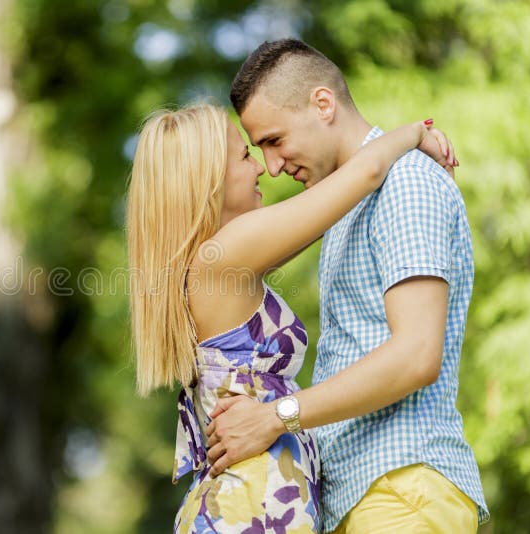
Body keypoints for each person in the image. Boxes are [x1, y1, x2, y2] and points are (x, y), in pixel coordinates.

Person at [126, 101, 455, 532]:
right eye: (245, 156)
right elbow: (364, 176)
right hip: (249, 508)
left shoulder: (218, 262)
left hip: (254, 505)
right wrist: (414, 132)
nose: (262, 168)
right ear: (209, 183)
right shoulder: (224, 254)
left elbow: (329, 212)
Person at [204, 39, 489, 533]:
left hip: (403, 489)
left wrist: (275, 417)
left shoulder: (406, 184)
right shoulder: (345, 201)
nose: (271, 166)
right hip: (363, 496)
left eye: (274, 140)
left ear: (323, 104)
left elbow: (417, 356)